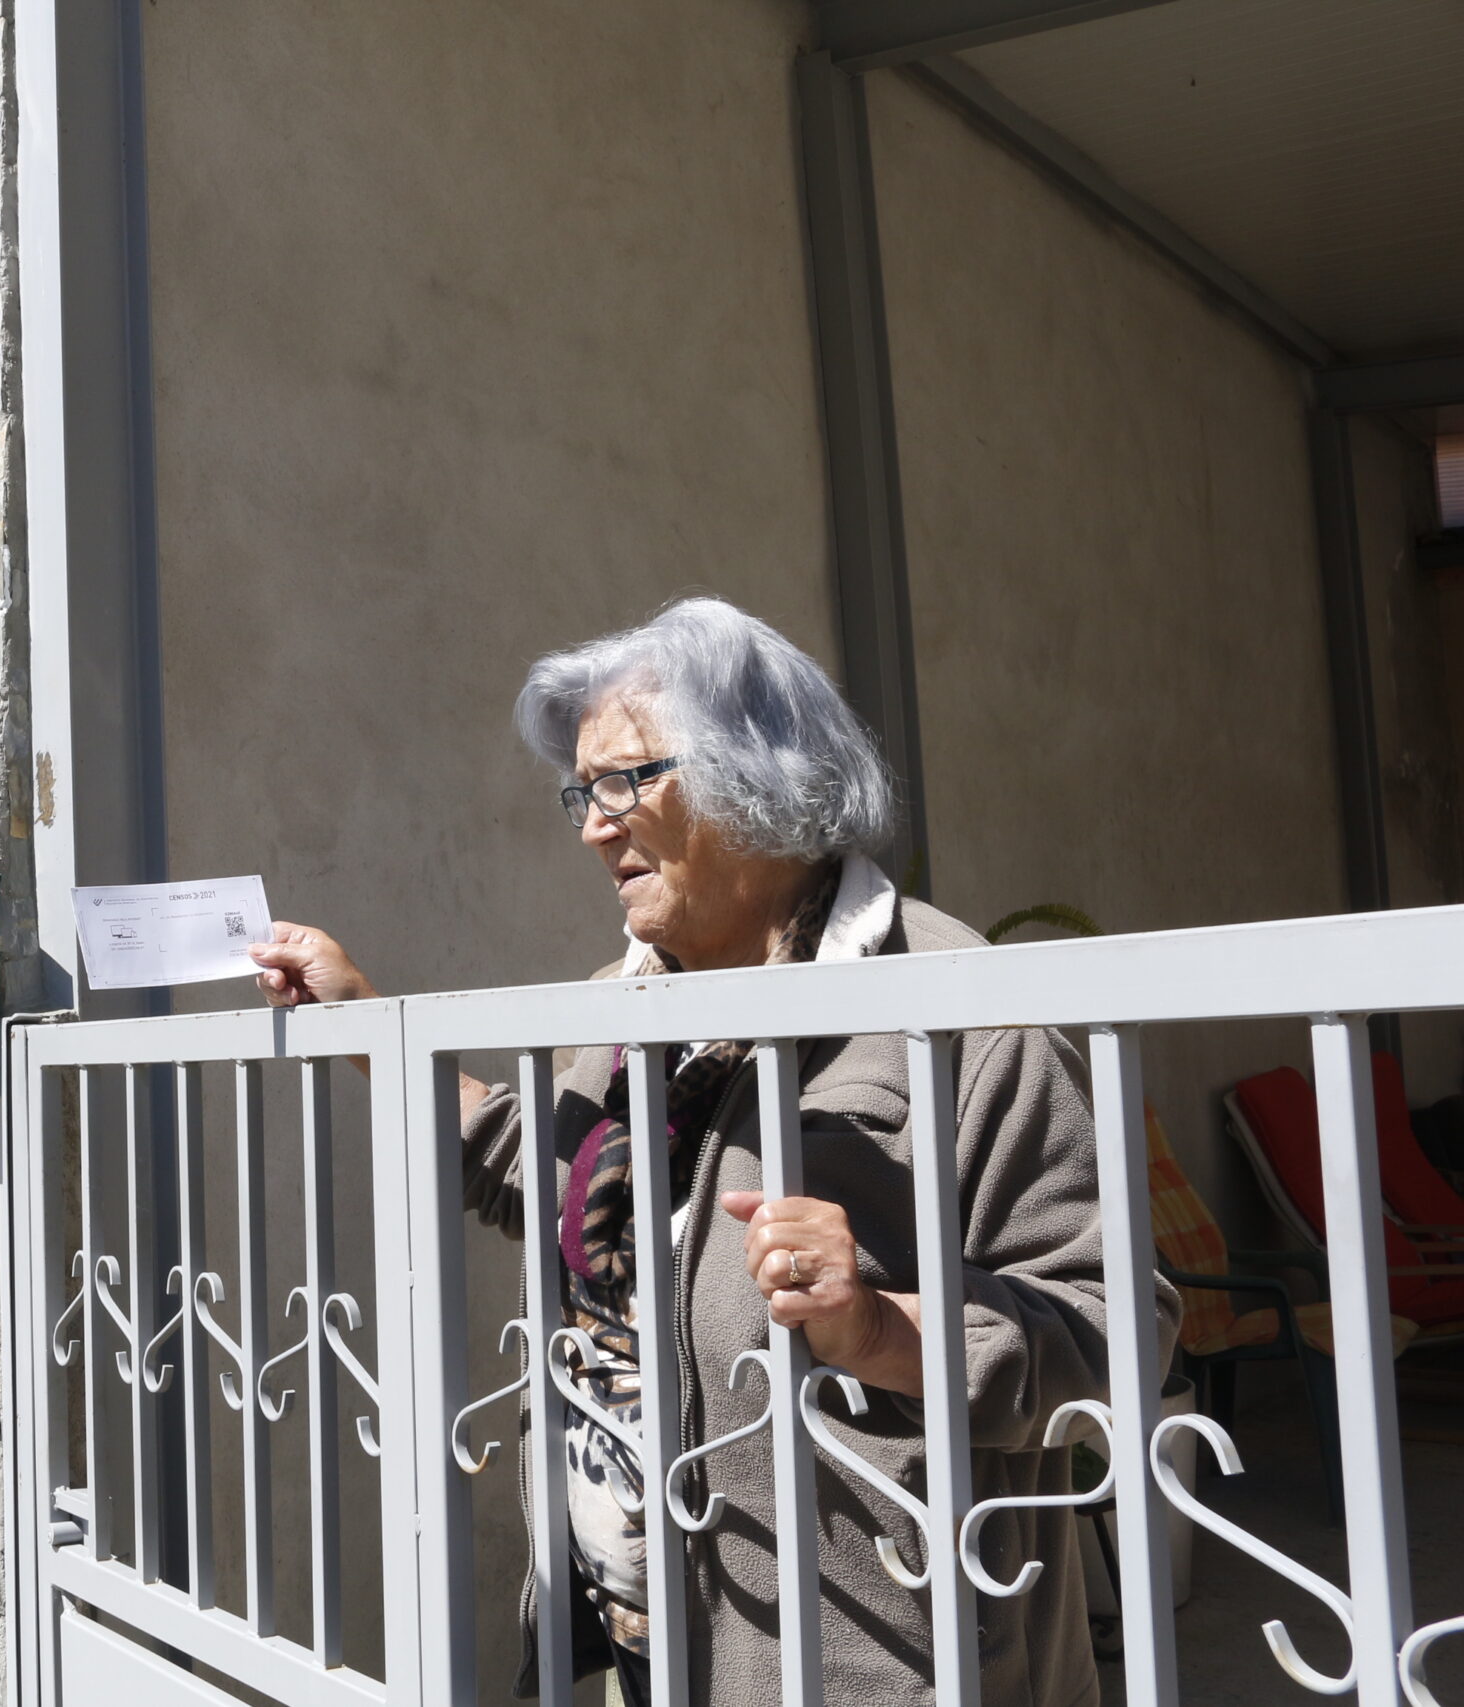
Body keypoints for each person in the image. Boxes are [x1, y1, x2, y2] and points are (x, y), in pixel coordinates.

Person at [248, 597, 1176, 1706]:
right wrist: (362, 1025)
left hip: (876, 1657)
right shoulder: (624, 1007)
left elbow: (1117, 1325)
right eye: (579, 791)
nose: (592, 824)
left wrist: (879, 1326)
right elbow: (539, 1170)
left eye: (625, 780)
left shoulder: (959, 1005)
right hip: (641, 1630)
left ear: (760, 776)